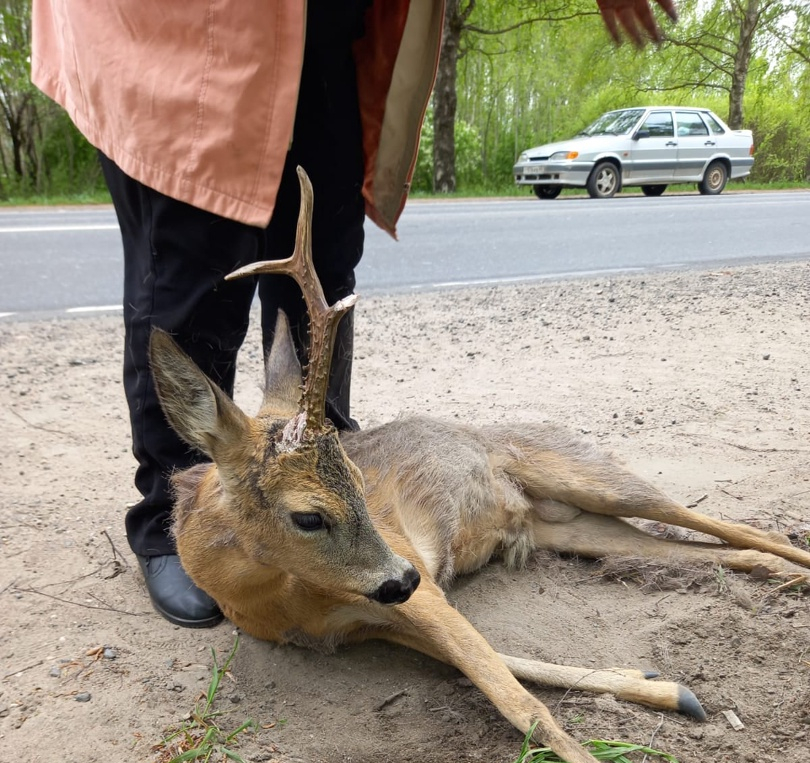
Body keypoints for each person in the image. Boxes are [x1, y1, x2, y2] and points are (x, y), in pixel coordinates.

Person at [31, 0, 676, 629]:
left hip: (326, 37)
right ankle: (168, 518)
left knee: (321, 267)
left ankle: (322, 469)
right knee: (190, 279)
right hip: (189, 39)